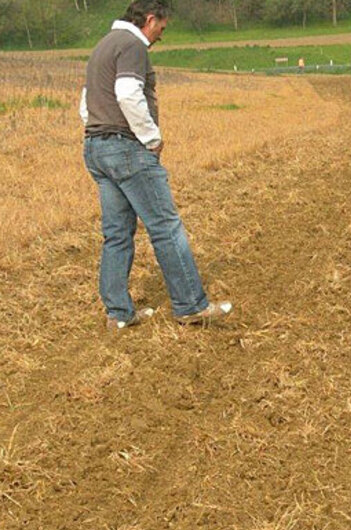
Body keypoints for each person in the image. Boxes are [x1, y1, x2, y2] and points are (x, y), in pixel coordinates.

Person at [79, 0, 232, 329]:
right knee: (166, 227)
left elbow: (86, 101)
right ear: (150, 19)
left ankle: (118, 314)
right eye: (162, 28)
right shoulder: (133, 45)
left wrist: (100, 132)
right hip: (126, 149)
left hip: (95, 147)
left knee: (117, 234)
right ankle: (190, 305)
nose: (161, 35)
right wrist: (151, 137)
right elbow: (128, 93)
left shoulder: (102, 46)